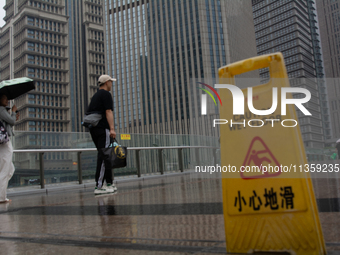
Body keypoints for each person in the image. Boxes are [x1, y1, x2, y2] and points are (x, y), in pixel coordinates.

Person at [87, 75, 117, 195]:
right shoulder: (106, 94)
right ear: (106, 82)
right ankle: (99, 186)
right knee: (104, 156)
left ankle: (109, 182)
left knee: (106, 155)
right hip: (102, 128)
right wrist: (112, 129)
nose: (112, 84)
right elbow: (108, 111)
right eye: (111, 82)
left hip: (94, 128)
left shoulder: (95, 96)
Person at [0, 94, 19, 203]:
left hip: (3, 141)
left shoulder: (2, 111)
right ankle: (1, 198)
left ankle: (1, 194)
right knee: (5, 170)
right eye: (5, 98)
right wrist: (13, 112)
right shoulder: (1, 109)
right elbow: (11, 122)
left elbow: (9, 124)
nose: (7, 100)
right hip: (4, 143)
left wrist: (13, 115)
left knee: (10, 169)